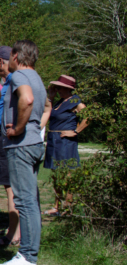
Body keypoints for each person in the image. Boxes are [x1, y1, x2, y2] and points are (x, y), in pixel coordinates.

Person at [0, 40, 48, 265]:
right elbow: (45, 106)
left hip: (20, 145)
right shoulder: (37, 78)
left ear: (16, 56)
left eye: (10, 56)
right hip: (35, 143)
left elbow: (27, 100)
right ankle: (30, 253)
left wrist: (18, 129)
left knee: (25, 201)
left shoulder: (19, 77)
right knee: (32, 201)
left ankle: (27, 256)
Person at [43, 75, 88, 216]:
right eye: (56, 87)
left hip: (65, 142)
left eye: (60, 87)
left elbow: (88, 115)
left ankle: (68, 208)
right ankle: (57, 206)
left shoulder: (74, 100)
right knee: (56, 175)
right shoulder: (58, 102)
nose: (58, 89)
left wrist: (75, 132)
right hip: (54, 140)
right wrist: (50, 97)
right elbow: (47, 112)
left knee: (66, 175)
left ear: (68, 88)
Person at [0, 47, 20, 247]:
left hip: (7, 137)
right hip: (5, 135)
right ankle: (15, 231)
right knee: (12, 187)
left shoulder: (14, 81)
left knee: (11, 188)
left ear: (2, 62)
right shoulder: (11, 82)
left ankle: (14, 234)